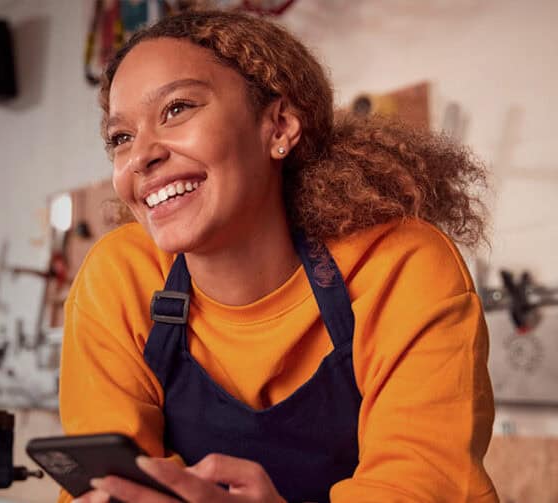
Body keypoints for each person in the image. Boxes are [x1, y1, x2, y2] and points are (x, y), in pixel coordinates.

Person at [58, 10, 497, 503]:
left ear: (279, 127)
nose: (141, 156)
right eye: (121, 138)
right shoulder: (119, 277)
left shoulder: (397, 263)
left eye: (178, 108)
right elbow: (108, 485)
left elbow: (423, 488)